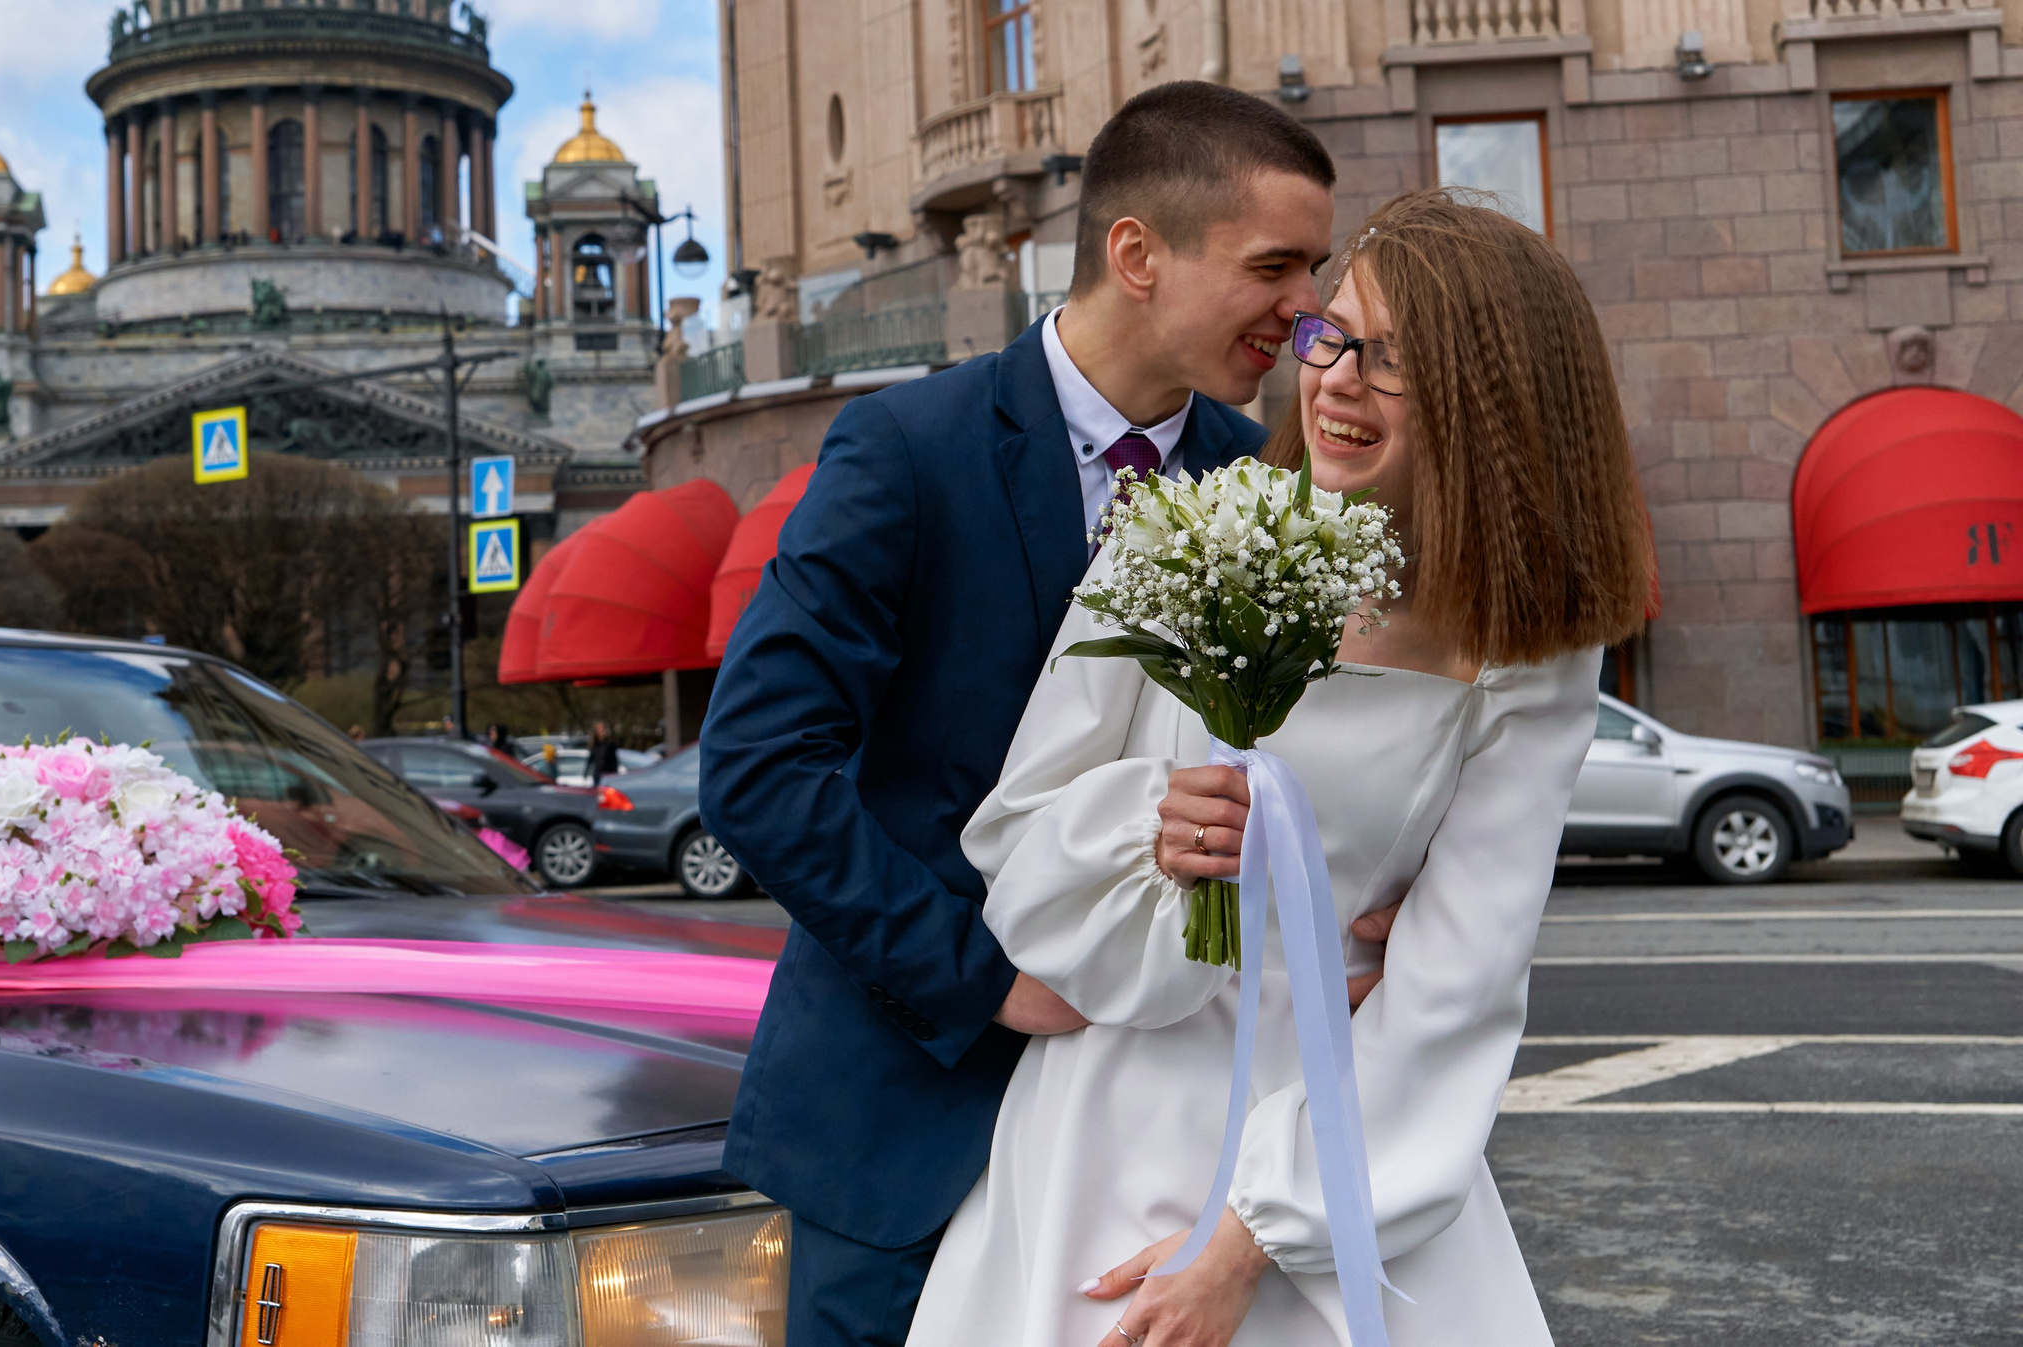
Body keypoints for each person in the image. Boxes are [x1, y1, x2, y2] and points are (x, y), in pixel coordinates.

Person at [702, 81, 1406, 1347]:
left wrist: (1375, 889)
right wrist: (986, 984)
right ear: (1136, 253)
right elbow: (759, 768)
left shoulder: (1256, 482)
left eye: (1316, 268)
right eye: (1274, 266)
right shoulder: (905, 450)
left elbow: (1305, 760)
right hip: (909, 1116)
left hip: (1156, 1129)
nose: (1306, 309)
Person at [907, 189, 1653, 1347]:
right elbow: (1016, 834)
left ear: (1494, 400)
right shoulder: (1184, 533)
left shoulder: (1530, 651)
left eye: (1396, 361)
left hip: (1337, 1130)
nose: (1338, 379)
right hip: (1105, 1112)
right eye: (1332, 335)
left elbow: (1458, 987)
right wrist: (1148, 833)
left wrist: (1251, 1232)